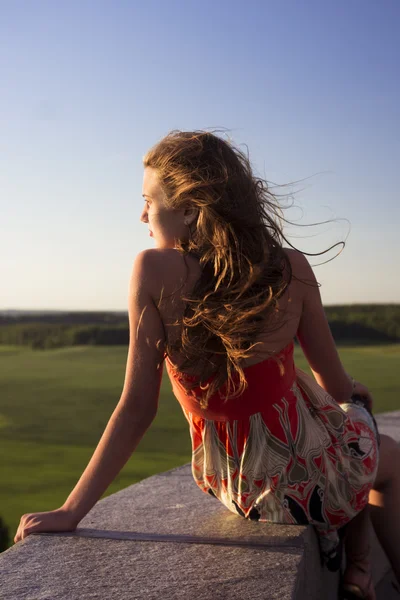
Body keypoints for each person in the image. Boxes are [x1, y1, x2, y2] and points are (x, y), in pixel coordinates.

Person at [14, 131, 399, 600]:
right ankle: (362, 566)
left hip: (233, 485)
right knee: (369, 436)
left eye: (147, 201)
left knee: (346, 432)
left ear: (191, 210)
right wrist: (356, 399)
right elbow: (335, 383)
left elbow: (137, 407)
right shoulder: (291, 267)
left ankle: (351, 560)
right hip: (306, 481)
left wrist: (71, 511)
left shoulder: (152, 272)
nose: (141, 215)